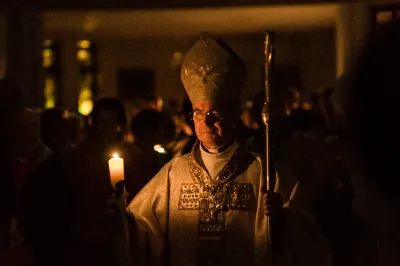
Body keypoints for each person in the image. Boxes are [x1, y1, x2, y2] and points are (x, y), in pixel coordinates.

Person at [127, 33, 331, 266]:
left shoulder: (265, 174)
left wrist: (281, 220)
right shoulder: (173, 173)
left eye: (215, 111)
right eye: (198, 112)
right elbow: (140, 229)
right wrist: (121, 223)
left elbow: (309, 239)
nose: (206, 120)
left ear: (233, 115)